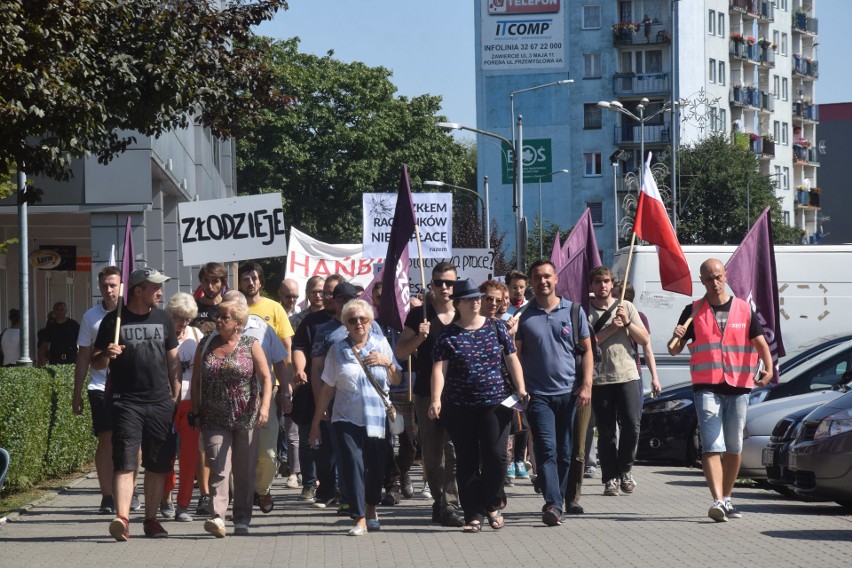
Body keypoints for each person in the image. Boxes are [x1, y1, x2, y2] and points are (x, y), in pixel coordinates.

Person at [669, 258, 772, 522]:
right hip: (706, 386)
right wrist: (678, 335)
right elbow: (673, 349)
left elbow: (760, 344)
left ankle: (727, 498)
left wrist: (768, 369)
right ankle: (716, 500)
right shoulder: (692, 310)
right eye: (708, 279)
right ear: (701, 281)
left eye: (718, 277)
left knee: (734, 447)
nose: (714, 283)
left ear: (725, 275)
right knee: (712, 444)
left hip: (738, 385)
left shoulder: (743, 309)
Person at [430, 279, 527, 532]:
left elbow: (512, 359)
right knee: (467, 460)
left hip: (496, 403)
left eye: (478, 297)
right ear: (458, 304)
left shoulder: (496, 328)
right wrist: (436, 399)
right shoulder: (448, 335)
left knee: (496, 456)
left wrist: (521, 387)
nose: (475, 301)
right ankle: (473, 513)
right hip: (460, 406)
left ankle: (492, 503)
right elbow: (439, 369)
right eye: (469, 298)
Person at [92, 267, 181, 541]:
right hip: (126, 402)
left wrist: (174, 398)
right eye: (156, 287)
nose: (160, 292)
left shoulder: (164, 318)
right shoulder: (113, 320)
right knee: (125, 461)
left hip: (159, 402)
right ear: (139, 290)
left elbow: (173, 361)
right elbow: (96, 362)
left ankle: (151, 520)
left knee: (157, 465)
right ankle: (122, 518)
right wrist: (107, 353)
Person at [310, 299, 401, 536]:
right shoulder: (337, 349)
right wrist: (316, 423)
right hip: (345, 417)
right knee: (352, 465)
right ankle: (359, 517)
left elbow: (397, 379)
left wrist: (387, 362)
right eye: (352, 320)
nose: (358, 323)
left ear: (370, 322)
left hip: (377, 418)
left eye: (363, 319)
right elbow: (327, 388)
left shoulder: (381, 344)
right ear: (346, 324)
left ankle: (371, 508)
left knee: (375, 468)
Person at [515, 260, 593, 527]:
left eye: (547, 276)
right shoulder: (524, 316)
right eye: (537, 277)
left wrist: (587, 385)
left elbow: (588, 350)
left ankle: (557, 499)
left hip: (569, 393)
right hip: (538, 395)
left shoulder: (573, 311)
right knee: (546, 449)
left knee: (565, 452)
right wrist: (521, 389)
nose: (542, 281)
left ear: (556, 279)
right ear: (531, 281)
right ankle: (553, 503)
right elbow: (515, 354)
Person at [191, 299, 273, 537]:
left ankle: (242, 518)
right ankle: (217, 516)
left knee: (244, 469)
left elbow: (266, 378)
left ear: (238, 323)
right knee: (218, 467)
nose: (218, 320)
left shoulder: (250, 344)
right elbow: (196, 381)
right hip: (213, 417)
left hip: (246, 416)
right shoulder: (205, 344)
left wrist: (265, 407)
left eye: (224, 317)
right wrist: (195, 412)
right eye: (218, 315)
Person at [396, 262, 464, 528]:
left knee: (455, 452)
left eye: (450, 283)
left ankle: (450, 504)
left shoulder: (464, 312)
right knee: (433, 455)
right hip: (426, 394)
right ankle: (439, 500)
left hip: (459, 394)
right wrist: (419, 339)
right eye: (439, 283)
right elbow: (401, 352)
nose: (445, 288)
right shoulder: (419, 315)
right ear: (431, 284)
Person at [237, 261, 294, 514]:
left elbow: (283, 354)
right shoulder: (229, 310)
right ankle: (243, 493)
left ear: (261, 281)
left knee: (268, 452)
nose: (250, 282)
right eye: (245, 278)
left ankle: (263, 488)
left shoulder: (273, 309)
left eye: (254, 278)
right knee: (238, 449)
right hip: (234, 395)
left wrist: (286, 389)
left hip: (265, 392)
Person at [588, 266, 649, 497]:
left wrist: (627, 324)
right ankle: (610, 478)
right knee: (605, 432)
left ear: (612, 284)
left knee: (632, 426)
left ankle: (625, 470)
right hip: (600, 378)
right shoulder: (586, 312)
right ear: (591, 286)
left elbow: (644, 339)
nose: (602, 285)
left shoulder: (627, 307)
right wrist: (612, 328)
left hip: (628, 375)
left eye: (606, 281)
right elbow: (587, 343)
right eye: (597, 282)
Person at [290, 274, 345, 505]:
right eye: (326, 292)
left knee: (339, 444)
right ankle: (314, 485)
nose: (328, 296)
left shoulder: (353, 321)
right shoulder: (311, 322)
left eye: (333, 292)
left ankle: (341, 488)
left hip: (342, 394)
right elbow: (299, 347)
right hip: (313, 389)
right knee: (313, 441)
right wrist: (300, 369)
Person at [72, 267, 122, 514]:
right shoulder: (91, 316)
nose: (109, 290)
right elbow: (83, 356)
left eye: (113, 285)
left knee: (129, 442)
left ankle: (126, 490)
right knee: (106, 439)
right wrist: (76, 392)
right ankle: (107, 496)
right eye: (104, 286)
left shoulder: (132, 312)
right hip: (100, 386)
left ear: (121, 286)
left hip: (129, 388)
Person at [372, 281, 415, 505]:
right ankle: (393, 484)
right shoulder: (371, 326)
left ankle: (402, 469)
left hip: (408, 387)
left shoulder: (407, 323)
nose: (385, 303)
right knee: (387, 441)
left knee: (410, 443)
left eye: (389, 298)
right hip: (383, 391)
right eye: (380, 299)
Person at [164, 292, 203, 523]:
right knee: (165, 454)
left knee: (189, 457)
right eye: (179, 318)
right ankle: (165, 499)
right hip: (166, 401)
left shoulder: (196, 335)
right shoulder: (161, 335)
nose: (183, 323)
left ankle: (183, 505)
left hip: (191, 401)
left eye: (187, 318)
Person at [39, 301, 80, 365]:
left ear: (66, 311)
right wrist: (41, 361)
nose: (59, 311)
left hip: (72, 359)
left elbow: (82, 342)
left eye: (62, 309)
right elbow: (44, 345)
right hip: (55, 360)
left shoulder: (74, 325)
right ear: (54, 311)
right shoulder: (50, 327)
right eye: (57, 309)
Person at [193, 262, 228, 338]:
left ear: (223, 283)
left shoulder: (228, 307)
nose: (210, 286)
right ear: (201, 282)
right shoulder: (192, 307)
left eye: (215, 281)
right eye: (206, 280)